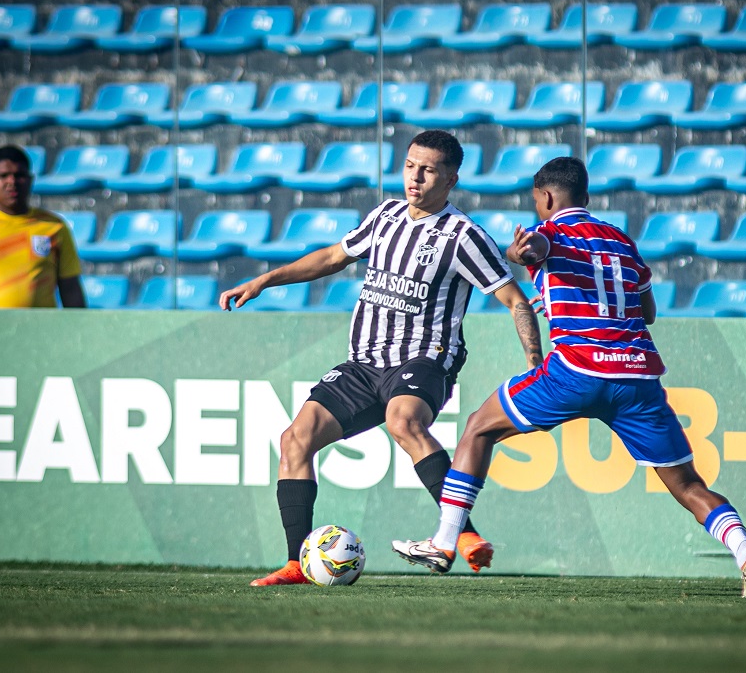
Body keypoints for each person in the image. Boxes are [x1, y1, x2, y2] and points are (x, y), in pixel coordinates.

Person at [392, 156, 746, 598]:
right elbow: (647, 312)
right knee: (689, 485)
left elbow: (531, 248)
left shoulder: (549, 234)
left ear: (547, 197)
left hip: (576, 372)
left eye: (537, 200)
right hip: (638, 377)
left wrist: (521, 253)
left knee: (478, 430)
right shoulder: (623, 241)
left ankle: (443, 544)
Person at [220, 130, 544, 586]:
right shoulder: (385, 216)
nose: (415, 177)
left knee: (404, 420)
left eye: (428, 170)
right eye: (411, 165)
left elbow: (515, 300)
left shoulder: (464, 236)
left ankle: (463, 536)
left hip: (425, 358)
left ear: (450, 178)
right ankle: (296, 562)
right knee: (294, 440)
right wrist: (265, 280)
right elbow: (334, 256)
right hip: (363, 363)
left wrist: (536, 362)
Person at [0, 145, 86, 308]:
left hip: (39, 330)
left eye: (19, 175)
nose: (12, 182)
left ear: (30, 180)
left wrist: (82, 330)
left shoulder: (53, 227)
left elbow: (70, 288)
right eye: (3, 176)